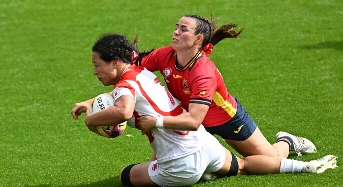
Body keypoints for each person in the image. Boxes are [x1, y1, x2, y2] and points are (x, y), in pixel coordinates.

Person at [70, 33, 337, 187]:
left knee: (125, 176)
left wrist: (91, 119)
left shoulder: (129, 87)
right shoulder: (141, 71)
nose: (94, 71)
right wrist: (91, 102)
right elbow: (127, 92)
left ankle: (198, 176)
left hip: (182, 162)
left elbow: (124, 110)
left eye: (96, 65)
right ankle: (304, 167)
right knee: (242, 165)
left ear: (115, 62)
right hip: (204, 142)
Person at [135, 14, 316, 159]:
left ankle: (287, 141)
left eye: (183, 29)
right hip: (190, 117)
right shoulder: (164, 55)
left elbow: (194, 121)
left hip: (227, 119)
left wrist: (156, 121)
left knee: (272, 160)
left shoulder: (203, 71)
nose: (175, 32)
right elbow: (133, 69)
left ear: (198, 39)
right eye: (176, 27)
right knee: (164, 161)